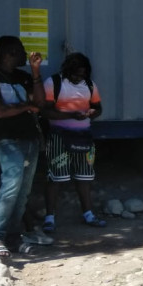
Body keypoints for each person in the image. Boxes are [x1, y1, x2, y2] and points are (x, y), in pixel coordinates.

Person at [0, 36, 48, 261]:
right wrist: (26, 106)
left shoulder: (23, 77)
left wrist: (36, 72)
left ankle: (14, 236)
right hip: (6, 138)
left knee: (23, 190)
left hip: (30, 138)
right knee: (11, 185)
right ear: (9, 52)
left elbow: (39, 103)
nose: (24, 55)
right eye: (20, 52)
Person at [41, 52, 105, 233]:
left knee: (84, 177)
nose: (78, 78)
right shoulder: (53, 83)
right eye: (75, 74)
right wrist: (70, 115)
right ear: (67, 70)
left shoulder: (90, 85)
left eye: (82, 74)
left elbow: (98, 108)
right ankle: (50, 218)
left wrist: (92, 113)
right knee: (55, 176)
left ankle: (88, 214)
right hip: (58, 136)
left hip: (83, 135)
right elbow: (45, 112)